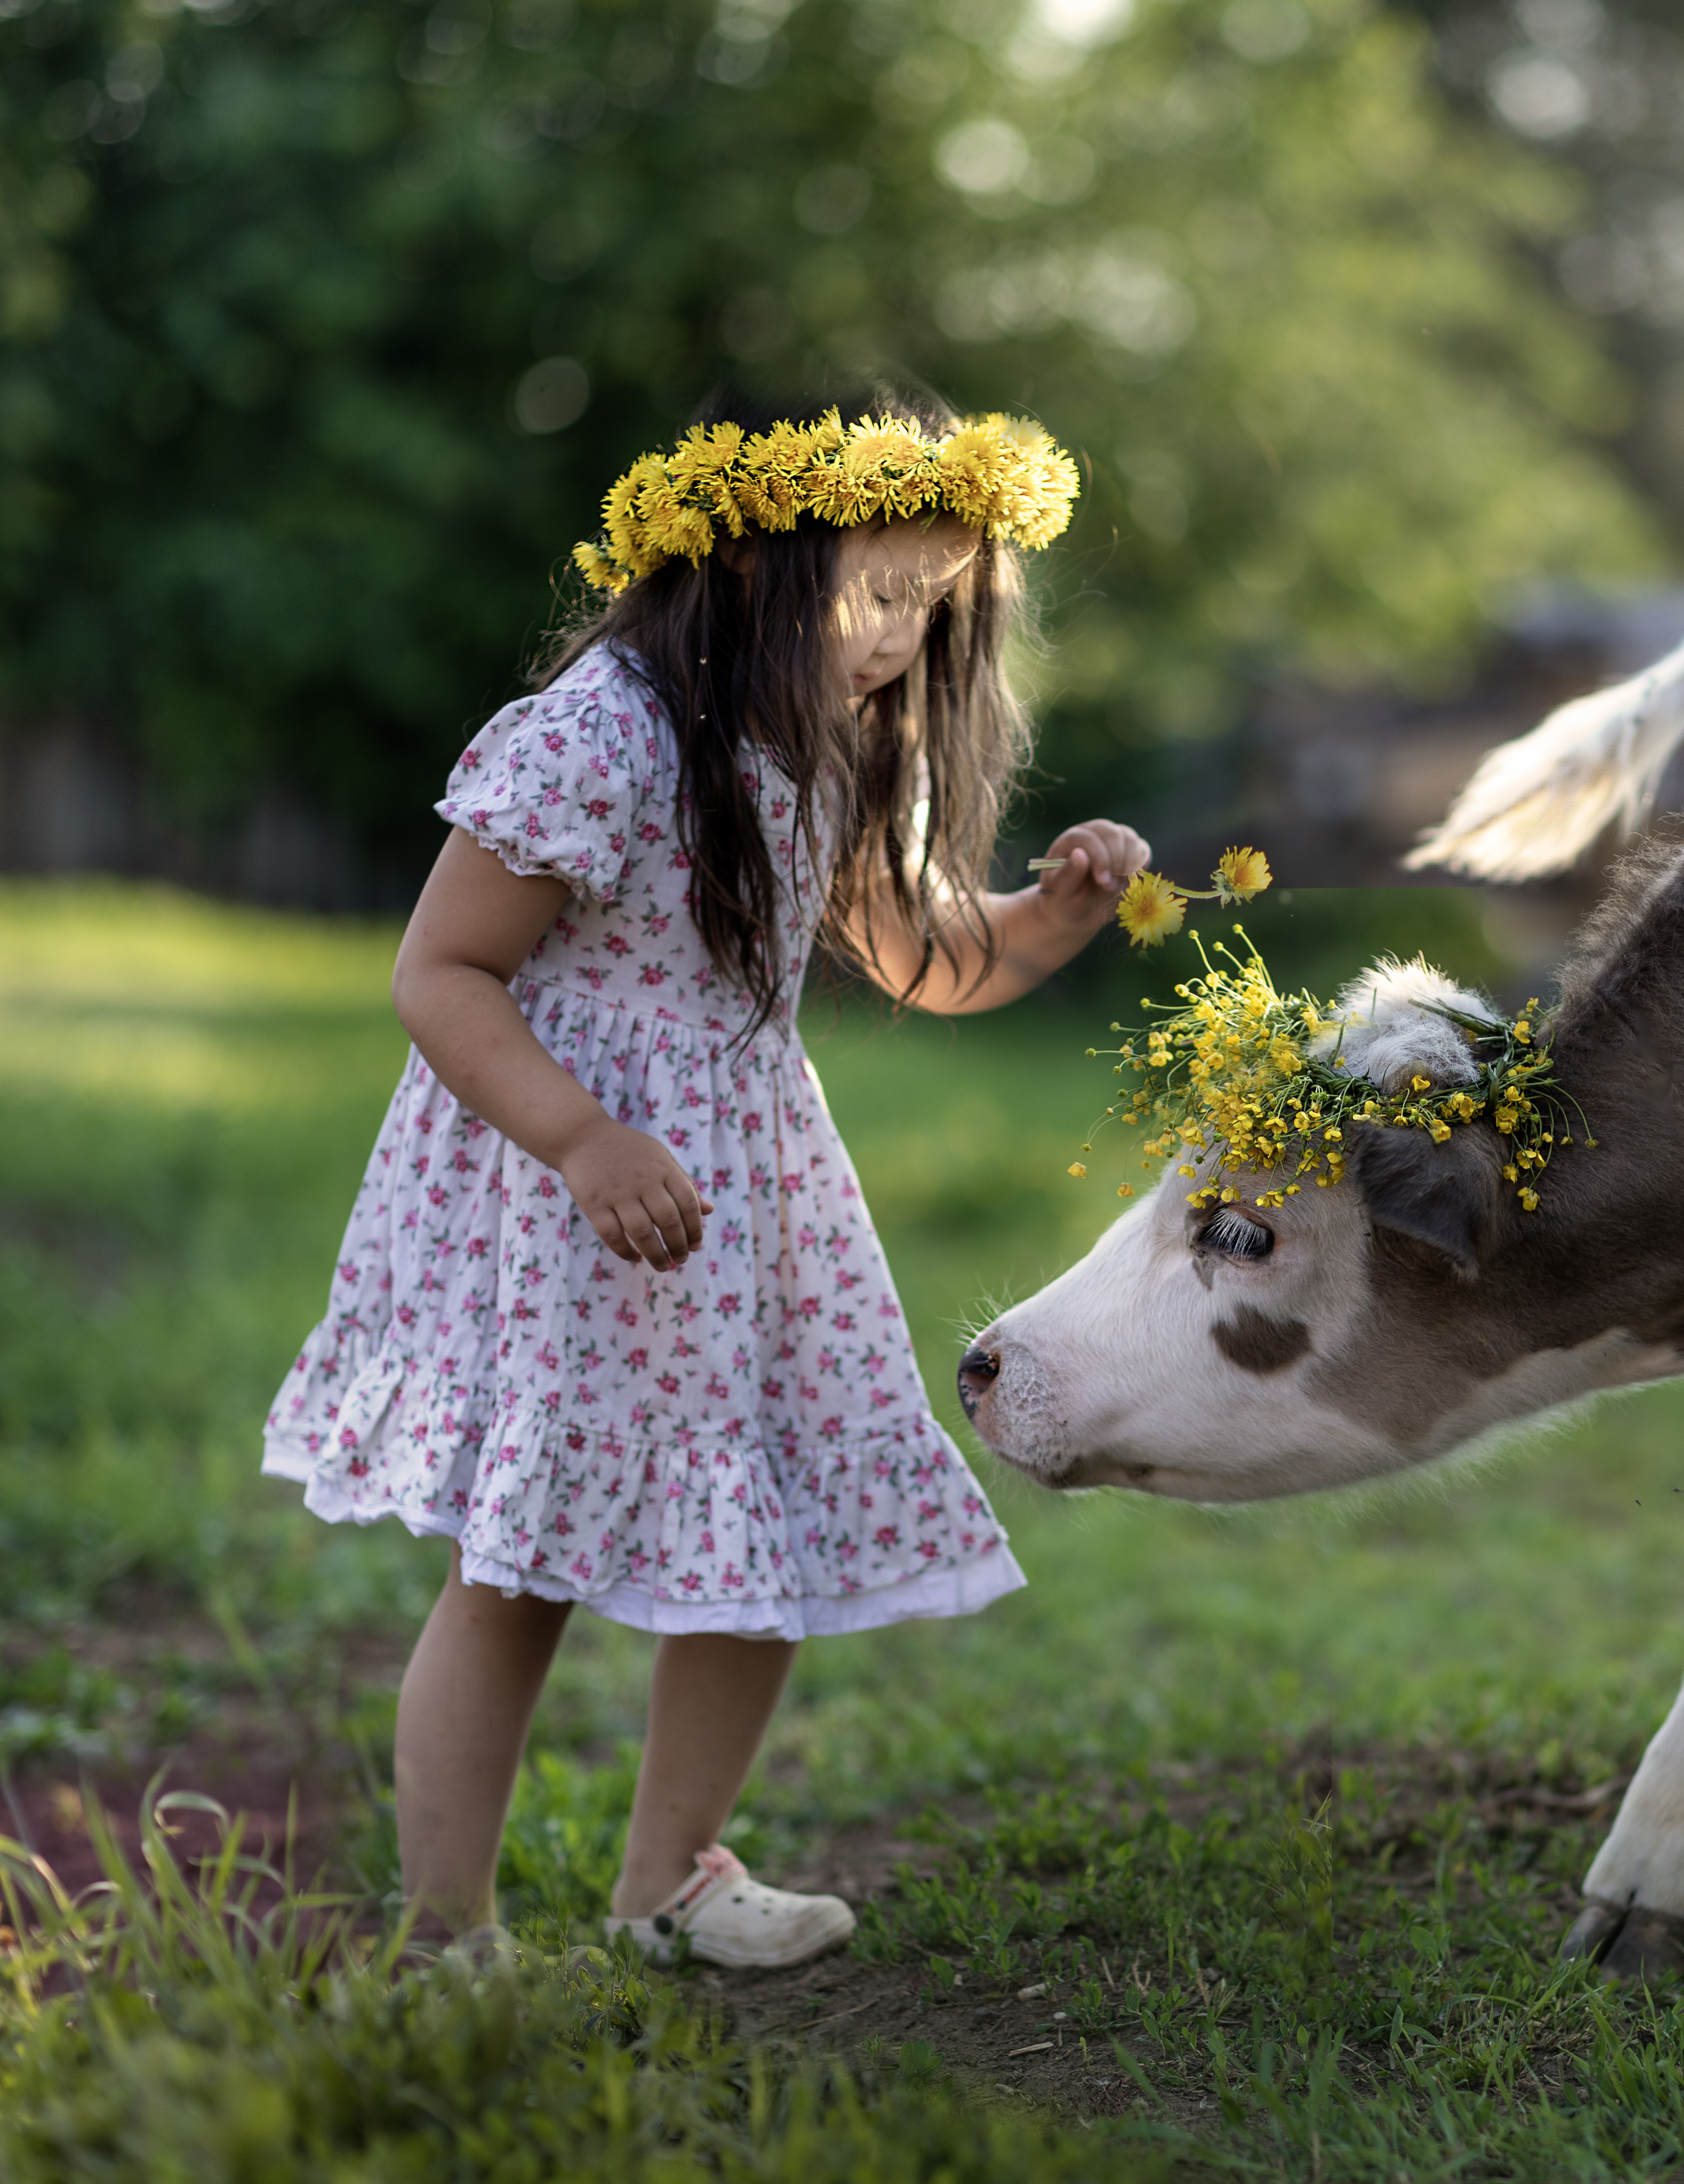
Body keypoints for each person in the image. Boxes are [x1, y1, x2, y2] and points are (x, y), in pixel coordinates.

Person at [262, 389, 1145, 1968]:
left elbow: (926, 959)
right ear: (751, 571)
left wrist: (1057, 913)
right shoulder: (602, 734)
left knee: (768, 1530)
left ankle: (669, 1883)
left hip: (747, 1215)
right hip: (573, 1201)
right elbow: (443, 971)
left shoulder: (818, 750)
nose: (894, 644)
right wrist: (586, 1138)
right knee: (517, 1567)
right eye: (879, 596)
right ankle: (444, 1930)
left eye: (926, 611)